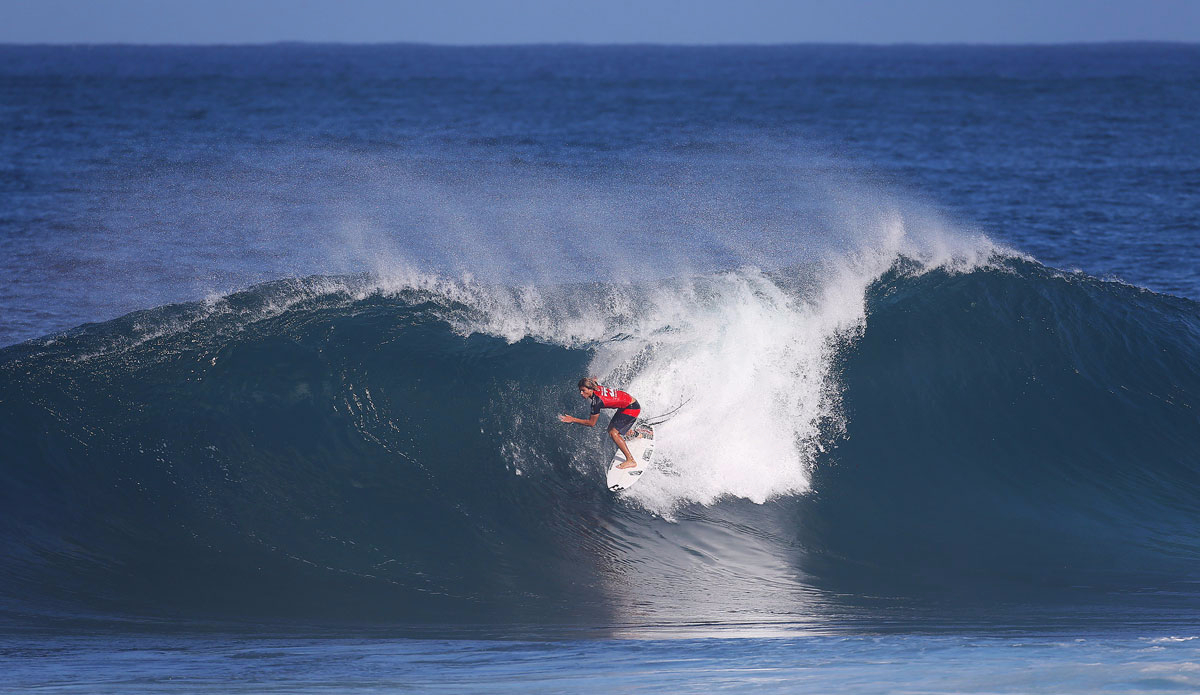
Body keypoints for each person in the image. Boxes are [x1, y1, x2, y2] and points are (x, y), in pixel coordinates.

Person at [559, 377, 643, 469]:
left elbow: (591, 423)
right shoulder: (596, 387)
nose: (581, 393)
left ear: (590, 389)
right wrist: (592, 379)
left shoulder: (596, 402)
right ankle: (635, 434)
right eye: (580, 391)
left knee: (613, 433)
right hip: (628, 404)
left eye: (583, 390)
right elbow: (593, 381)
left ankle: (630, 460)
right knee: (611, 428)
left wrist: (572, 419)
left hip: (631, 408)